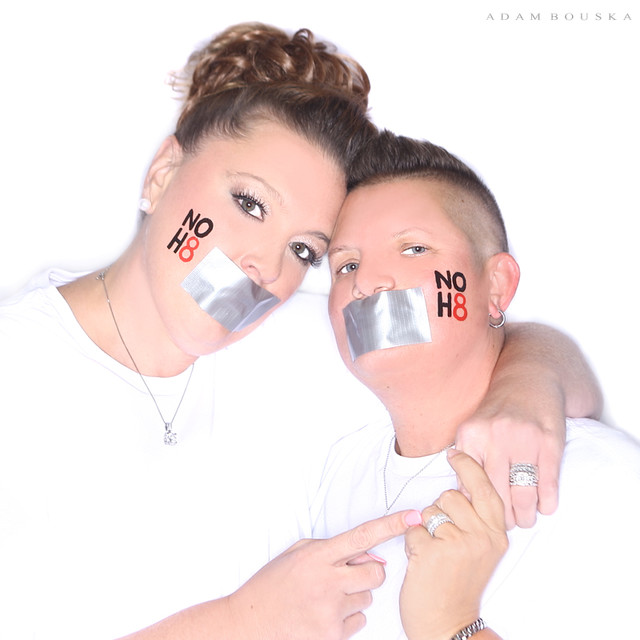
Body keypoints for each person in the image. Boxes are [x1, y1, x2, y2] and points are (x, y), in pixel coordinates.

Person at [0, 23, 600, 640]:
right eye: (249, 203)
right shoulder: (15, 371)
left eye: (305, 250)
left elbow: (487, 332)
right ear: (162, 174)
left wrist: (526, 389)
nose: (263, 265)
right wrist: (242, 622)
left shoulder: (309, 347)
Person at [313, 130, 640, 639]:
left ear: (497, 286)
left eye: (414, 248)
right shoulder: (335, 474)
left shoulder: (604, 483)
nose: (367, 282)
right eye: (346, 265)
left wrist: (453, 624)